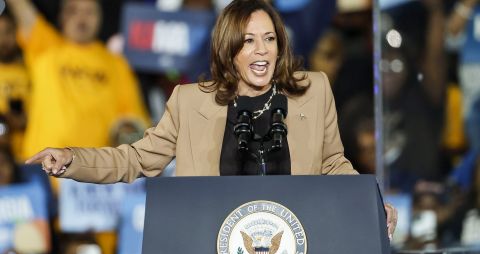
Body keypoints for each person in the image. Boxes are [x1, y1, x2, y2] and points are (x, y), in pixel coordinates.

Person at [25, 0, 398, 238]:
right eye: (249, 40)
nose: (262, 50)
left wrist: (370, 201)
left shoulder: (311, 90)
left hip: (293, 242)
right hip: (212, 245)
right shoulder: (189, 102)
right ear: (227, 47)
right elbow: (136, 159)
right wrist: (72, 159)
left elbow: (333, 162)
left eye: (270, 39)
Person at [5, 0, 150, 160]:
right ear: (62, 17)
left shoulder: (117, 64)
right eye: (73, 11)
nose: (82, 18)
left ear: (100, 18)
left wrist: (127, 132)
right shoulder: (45, 47)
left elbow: (134, 121)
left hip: (99, 174)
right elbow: (19, 6)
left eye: (89, 12)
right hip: (46, 169)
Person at [0, 10, 30, 161]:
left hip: (28, 156)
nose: (3, 39)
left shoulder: (31, 71)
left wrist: (22, 120)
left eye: (8, 32)